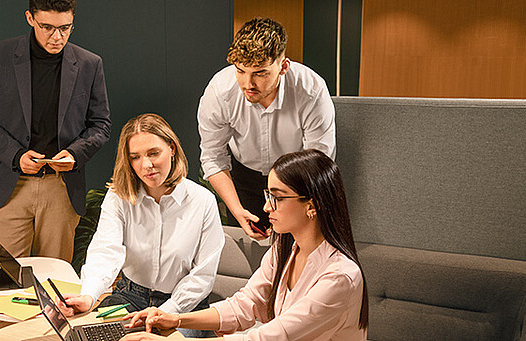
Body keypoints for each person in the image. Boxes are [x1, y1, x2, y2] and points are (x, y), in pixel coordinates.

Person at [122, 149, 368, 341]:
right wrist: (175, 319)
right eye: (267, 195)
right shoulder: (284, 250)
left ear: (311, 205)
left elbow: (274, 336)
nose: (266, 207)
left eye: (277, 198)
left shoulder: (340, 277)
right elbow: (244, 304)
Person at [0, 0, 110, 261]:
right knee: (2, 282)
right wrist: (15, 155)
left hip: (61, 187)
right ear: (30, 18)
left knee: (57, 282)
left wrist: (75, 154)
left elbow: (100, 124)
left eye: (65, 28)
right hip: (9, 185)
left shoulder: (90, 63)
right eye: (47, 27)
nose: (57, 37)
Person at [59, 113, 224, 338]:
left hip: (183, 307)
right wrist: (88, 295)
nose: (146, 165)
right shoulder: (119, 196)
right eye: (135, 157)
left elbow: (202, 276)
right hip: (129, 297)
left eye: (153, 153)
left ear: (172, 148)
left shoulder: (202, 201)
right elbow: (106, 250)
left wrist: (166, 312)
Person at [198, 17, 336, 241]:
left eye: (260, 73)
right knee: (251, 251)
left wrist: (286, 206)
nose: (247, 84)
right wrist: (236, 209)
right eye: (240, 70)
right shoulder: (220, 91)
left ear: (283, 66)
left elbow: (318, 160)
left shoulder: (310, 90)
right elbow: (213, 157)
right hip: (243, 176)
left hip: (298, 180)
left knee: (297, 250)